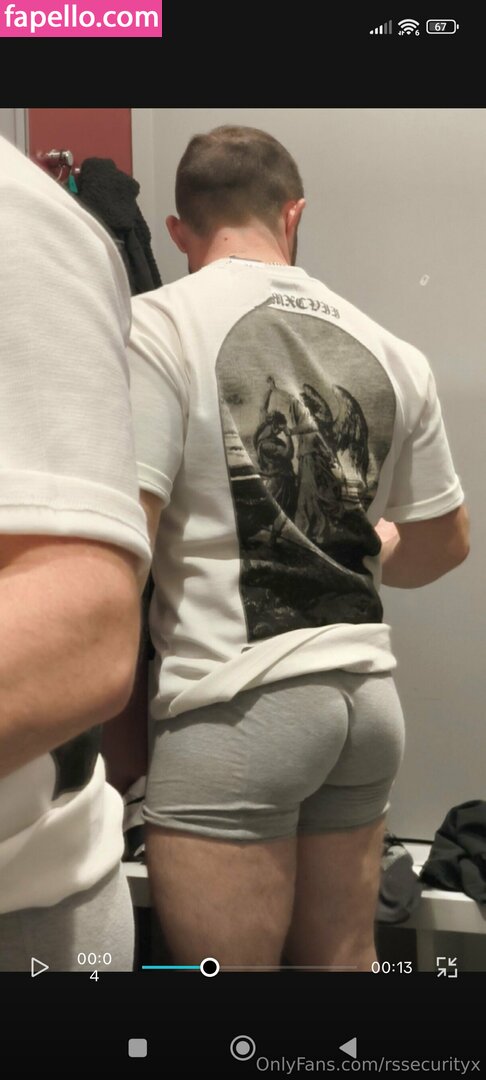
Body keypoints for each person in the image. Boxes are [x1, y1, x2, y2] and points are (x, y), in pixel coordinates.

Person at [128, 125, 469, 970]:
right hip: (364, 705)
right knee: (344, 967)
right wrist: (362, 547)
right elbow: (445, 543)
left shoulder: (156, 327)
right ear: (294, 215)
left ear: (179, 230)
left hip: (237, 706)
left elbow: (124, 540)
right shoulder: (391, 348)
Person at [0, 134, 152, 972]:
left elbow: (87, 626)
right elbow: (439, 541)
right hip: (356, 671)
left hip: (24, 894)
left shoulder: (23, 220)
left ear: (181, 224)